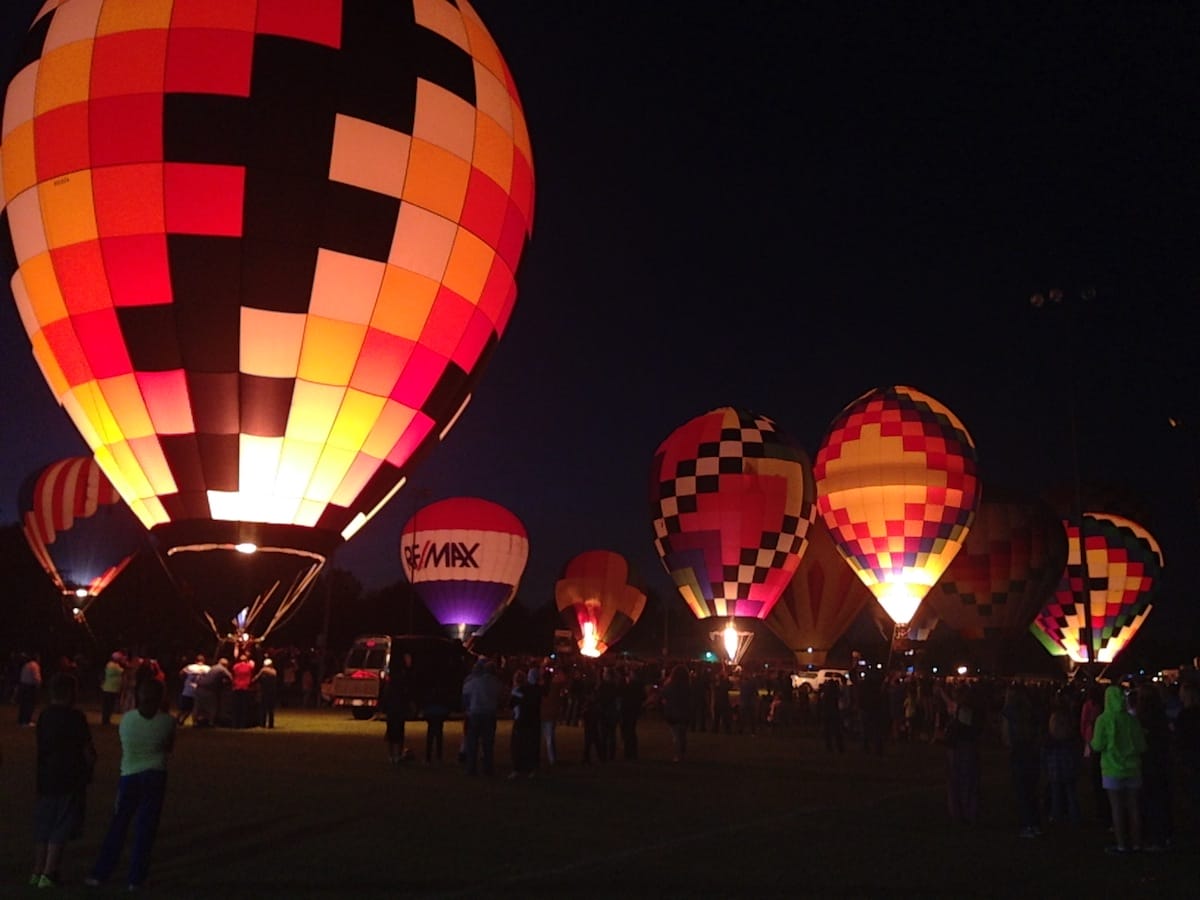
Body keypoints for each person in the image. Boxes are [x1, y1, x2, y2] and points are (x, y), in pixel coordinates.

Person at [86, 678, 177, 890]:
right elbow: (168, 747)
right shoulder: (167, 722)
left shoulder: (127, 720)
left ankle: (101, 873)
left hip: (129, 775)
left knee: (119, 824)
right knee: (146, 828)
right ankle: (136, 878)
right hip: (155, 774)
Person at [32, 673, 96, 888]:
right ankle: (49, 873)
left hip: (46, 775)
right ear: (71, 693)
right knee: (61, 824)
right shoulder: (76, 717)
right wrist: (89, 769)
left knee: (45, 823)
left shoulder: (44, 716)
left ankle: (37, 870)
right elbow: (86, 749)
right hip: (69, 776)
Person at [1090, 684, 1147, 855]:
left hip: (1112, 769)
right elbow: (1142, 745)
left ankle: (1122, 844)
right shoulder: (1132, 720)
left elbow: (1098, 745)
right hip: (1133, 768)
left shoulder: (1103, 720)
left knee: (1117, 808)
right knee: (1133, 806)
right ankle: (1137, 843)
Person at [1135, 682, 1173, 850]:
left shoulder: (1144, 718)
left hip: (1148, 762)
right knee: (1162, 797)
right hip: (1161, 761)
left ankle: (1155, 836)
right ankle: (1165, 833)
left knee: (1150, 798)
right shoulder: (1162, 715)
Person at [1002, 682, 1042, 838]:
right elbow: (1039, 732)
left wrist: (1010, 745)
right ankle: (1035, 823)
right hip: (1031, 752)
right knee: (1032, 789)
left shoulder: (1009, 712)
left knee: (1022, 790)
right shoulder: (1032, 711)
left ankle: (1027, 825)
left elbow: (1006, 736)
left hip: (1019, 752)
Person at [461, 657, 503, 775]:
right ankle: (488, 768)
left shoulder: (472, 683)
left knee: (472, 742)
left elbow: (465, 698)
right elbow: (501, 696)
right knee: (488, 743)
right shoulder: (495, 682)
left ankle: (471, 768)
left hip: (475, 713)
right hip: (490, 714)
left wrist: (467, 709)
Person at [509, 667, 542, 778]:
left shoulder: (531, 691)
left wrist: (517, 696)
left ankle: (524, 768)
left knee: (523, 745)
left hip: (525, 721)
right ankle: (523, 768)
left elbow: (516, 702)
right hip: (528, 721)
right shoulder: (532, 690)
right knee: (525, 745)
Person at [384, 652, 415, 764]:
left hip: (394, 707)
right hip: (397, 707)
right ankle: (395, 755)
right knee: (396, 732)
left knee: (394, 732)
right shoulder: (402, 676)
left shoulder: (397, 677)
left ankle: (393, 755)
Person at [661, 664, 692, 763]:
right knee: (682, 735)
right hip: (685, 713)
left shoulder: (669, 686)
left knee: (676, 735)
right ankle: (682, 754)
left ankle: (678, 755)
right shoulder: (688, 686)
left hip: (672, 714)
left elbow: (664, 697)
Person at [176, 654, 209, 726]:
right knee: (192, 709)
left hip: (188, 690)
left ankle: (177, 720)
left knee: (183, 708)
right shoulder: (207, 668)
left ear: (195, 660)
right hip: (199, 691)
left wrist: (184, 680)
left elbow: (181, 673)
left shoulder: (190, 667)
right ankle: (186, 721)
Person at [100, 652, 126, 727]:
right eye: (119, 658)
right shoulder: (111, 665)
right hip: (109, 689)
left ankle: (107, 720)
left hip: (113, 689)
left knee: (110, 705)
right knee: (107, 705)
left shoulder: (115, 665)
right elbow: (121, 671)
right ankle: (105, 720)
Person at [230, 654, 255, 729]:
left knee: (236, 707)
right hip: (245, 687)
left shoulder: (236, 666)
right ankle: (242, 724)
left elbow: (233, 672)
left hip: (236, 687)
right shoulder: (249, 666)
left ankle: (235, 724)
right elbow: (253, 668)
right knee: (244, 707)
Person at [17, 652, 42, 726]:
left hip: (23, 685)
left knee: (24, 703)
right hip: (30, 687)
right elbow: (36, 677)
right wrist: (39, 684)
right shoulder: (35, 665)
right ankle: (27, 720)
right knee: (30, 704)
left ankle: (21, 719)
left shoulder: (26, 665)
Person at [255, 657, 279, 729]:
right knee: (271, 709)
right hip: (272, 692)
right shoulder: (274, 671)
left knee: (263, 708)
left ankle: (263, 724)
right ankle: (271, 724)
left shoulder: (264, 670)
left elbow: (257, 678)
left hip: (265, 691)